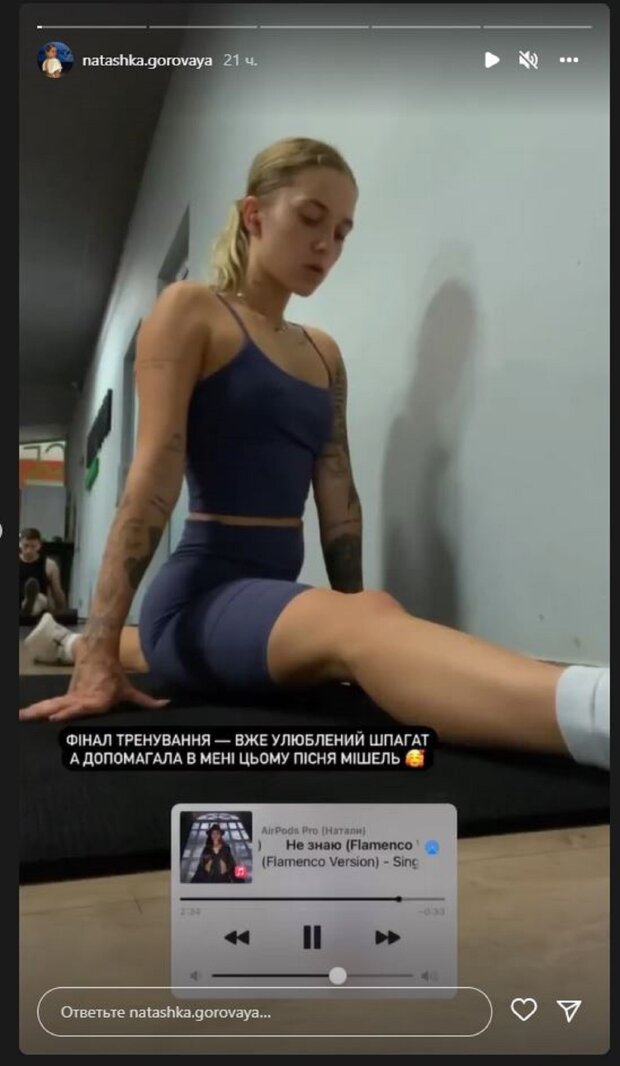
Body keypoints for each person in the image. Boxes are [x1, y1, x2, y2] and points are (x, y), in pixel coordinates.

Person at [19, 136, 610, 772]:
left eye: (342, 232)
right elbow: (152, 478)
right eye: (310, 219)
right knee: (367, 618)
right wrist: (100, 653)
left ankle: (65, 641)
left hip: (265, 596)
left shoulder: (323, 352)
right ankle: (596, 712)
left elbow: (339, 498)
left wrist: (350, 608)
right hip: (199, 591)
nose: (326, 244)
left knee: (360, 614)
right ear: (254, 215)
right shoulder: (191, 310)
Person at [19, 528, 67, 618]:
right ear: (20, 544)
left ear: (39, 546)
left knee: (41, 599)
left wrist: (63, 614)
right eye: (26, 546)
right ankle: (27, 605)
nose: (29, 550)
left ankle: (29, 605)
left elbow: (57, 592)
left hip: (40, 611)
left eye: (33, 546)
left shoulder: (49, 565)